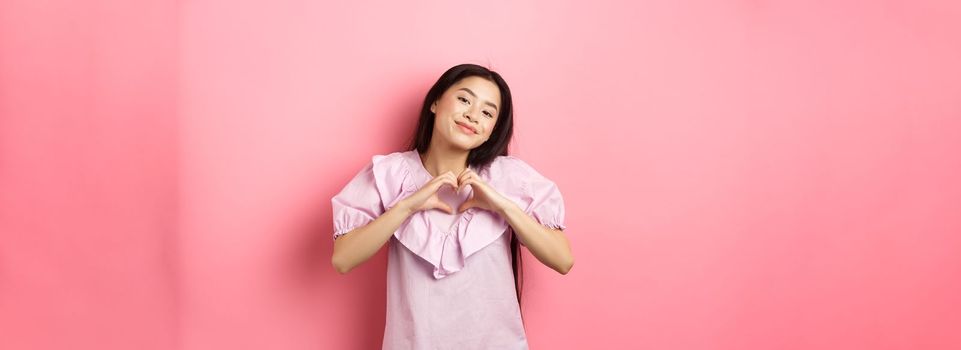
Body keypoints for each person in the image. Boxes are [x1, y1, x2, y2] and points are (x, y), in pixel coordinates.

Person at [331, 63, 573, 349]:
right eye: (464, 99)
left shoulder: (509, 178)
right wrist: (406, 207)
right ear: (435, 102)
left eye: (487, 112)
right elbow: (343, 259)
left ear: (491, 131)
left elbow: (562, 259)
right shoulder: (389, 174)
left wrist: (502, 206)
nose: (472, 115)